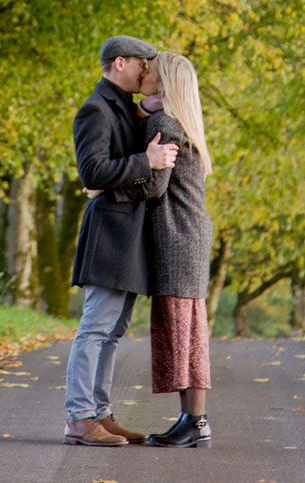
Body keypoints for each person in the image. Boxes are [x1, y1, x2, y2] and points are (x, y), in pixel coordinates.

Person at [64, 35, 179, 447]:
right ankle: (78, 418)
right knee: (95, 329)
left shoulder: (127, 109)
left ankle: (100, 413)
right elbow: (92, 171)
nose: (145, 72)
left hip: (130, 238)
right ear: (119, 63)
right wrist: (145, 161)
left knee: (112, 332)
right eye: (140, 64)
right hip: (109, 236)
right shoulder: (95, 109)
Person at [104, 50, 214, 448]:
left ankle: (195, 422)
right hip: (187, 234)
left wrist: (105, 187)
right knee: (187, 329)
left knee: (182, 331)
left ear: (164, 82)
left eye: (150, 70)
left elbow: (153, 187)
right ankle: (192, 420)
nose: (143, 73)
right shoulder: (170, 119)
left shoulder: (165, 124)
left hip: (177, 236)